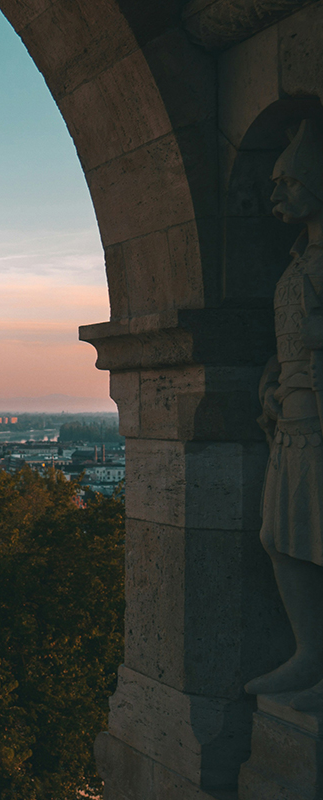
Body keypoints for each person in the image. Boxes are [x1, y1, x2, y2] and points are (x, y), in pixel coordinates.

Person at [249, 119, 323, 710]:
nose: (276, 193)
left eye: (290, 181)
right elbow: (287, 344)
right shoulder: (298, 264)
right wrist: (272, 383)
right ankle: (310, 654)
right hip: (292, 428)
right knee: (281, 540)